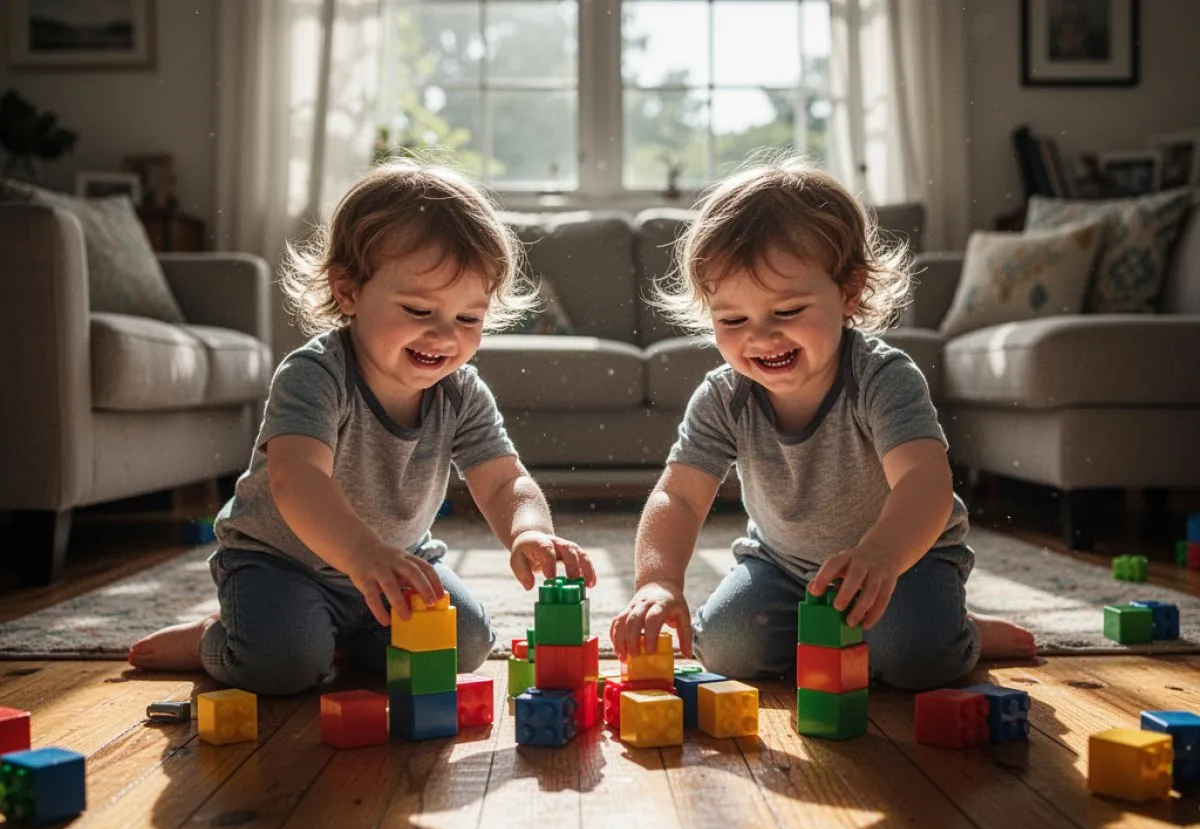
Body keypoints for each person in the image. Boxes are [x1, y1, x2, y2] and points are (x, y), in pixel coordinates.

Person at [129, 160, 596, 693]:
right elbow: (297, 478)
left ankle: (341, 638)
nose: (445, 335)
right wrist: (360, 554)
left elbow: (503, 480)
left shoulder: (461, 393)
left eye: (468, 318)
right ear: (349, 292)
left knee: (465, 645)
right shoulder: (315, 374)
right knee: (283, 665)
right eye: (418, 309)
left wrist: (529, 529)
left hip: (395, 564)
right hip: (282, 565)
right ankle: (213, 639)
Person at [609, 156, 1036, 690]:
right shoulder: (724, 397)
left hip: (904, 560)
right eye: (733, 319)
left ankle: (964, 631)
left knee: (915, 658)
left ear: (849, 292)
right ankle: (827, 636)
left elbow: (924, 481)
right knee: (725, 650)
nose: (761, 336)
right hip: (782, 565)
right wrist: (657, 581)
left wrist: (881, 555)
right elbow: (679, 497)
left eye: (787, 311)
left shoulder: (882, 378)